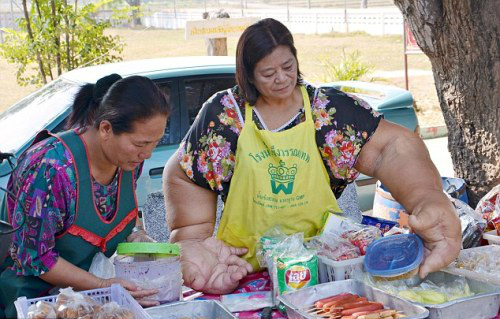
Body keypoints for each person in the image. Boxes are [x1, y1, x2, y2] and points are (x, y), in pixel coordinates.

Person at [163, 18, 462, 295]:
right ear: (249, 75)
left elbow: (392, 146)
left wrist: (427, 199)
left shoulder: (327, 110)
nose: (281, 79)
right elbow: (186, 172)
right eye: (268, 73)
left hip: (324, 269)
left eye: (288, 66)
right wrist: (191, 239)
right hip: (241, 271)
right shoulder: (226, 114)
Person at [0, 74, 170, 317]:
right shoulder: (51, 168)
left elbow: (118, 225)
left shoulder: (127, 161)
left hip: (89, 301)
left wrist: (148, 248)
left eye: (155, 143)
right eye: (141, 143)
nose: (148, 154)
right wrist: (102, 285)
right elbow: (36, 258)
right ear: (106, 129)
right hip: (37, 304)